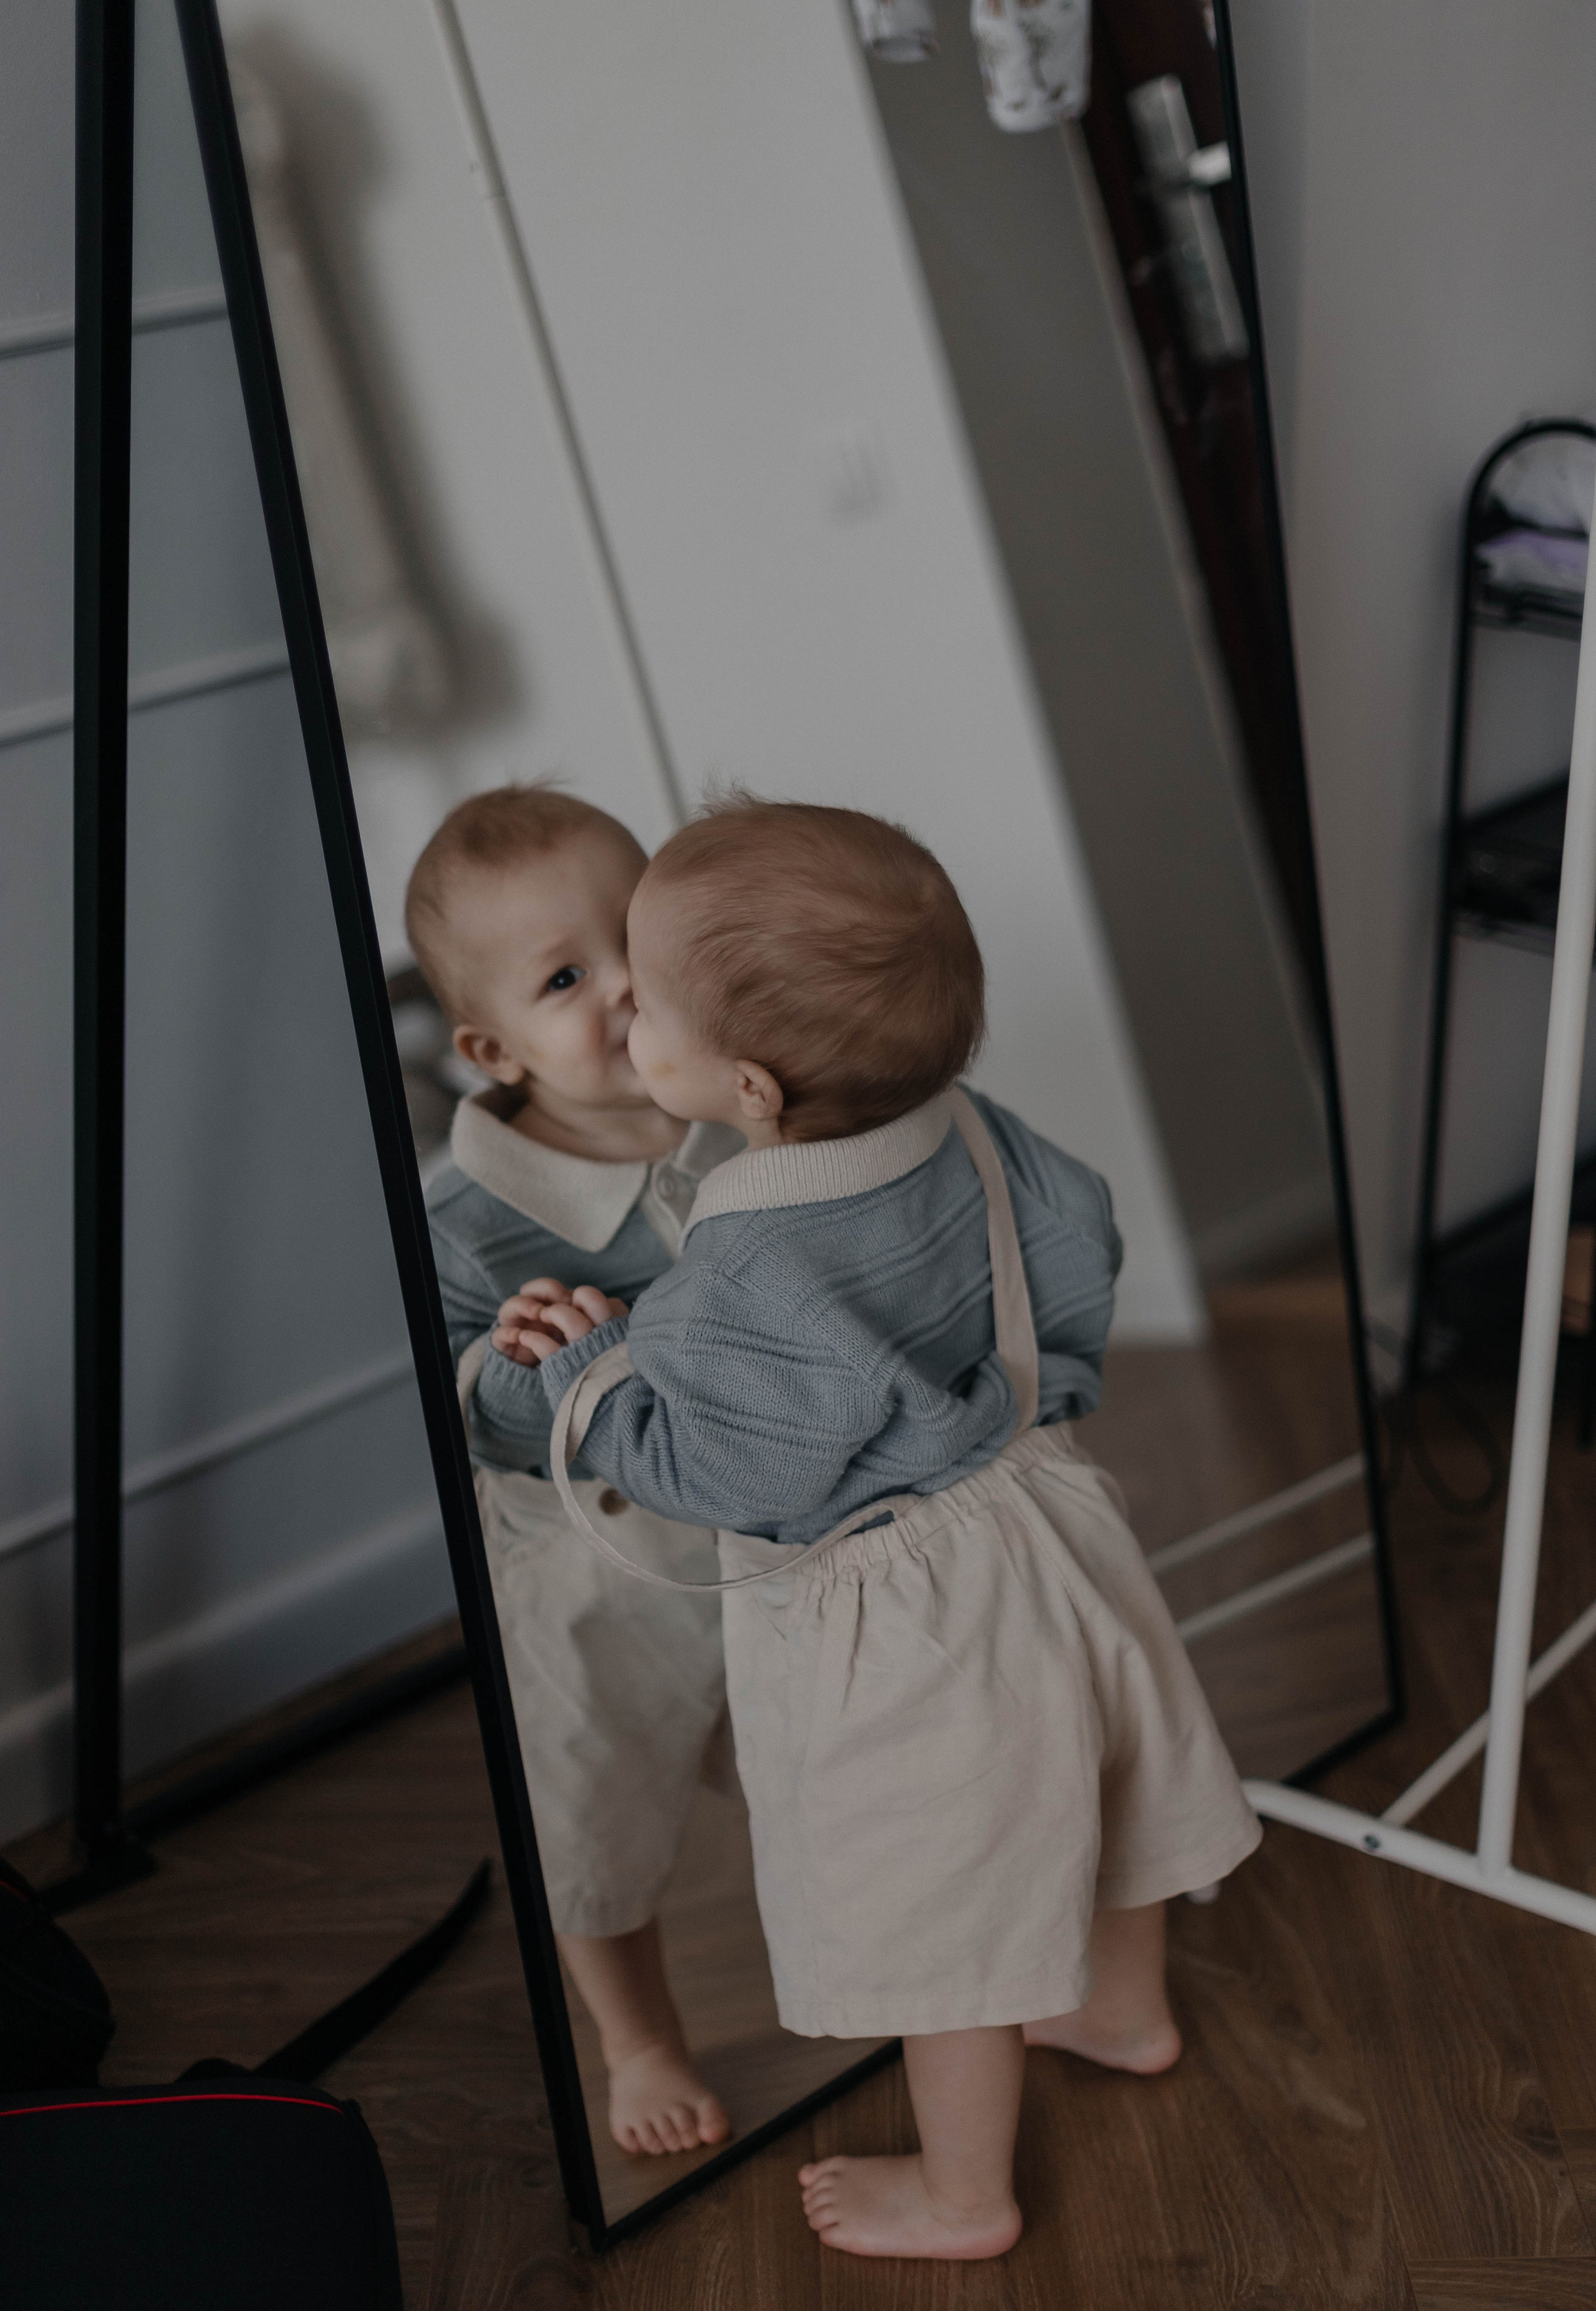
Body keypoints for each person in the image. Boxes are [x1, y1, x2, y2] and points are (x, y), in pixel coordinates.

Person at [492, 795, 1261, 2260]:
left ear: (753, 1091)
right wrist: (1047, 1390)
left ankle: (964, 2193)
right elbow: (1075, 1233)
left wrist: (596, 1370)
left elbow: (724, 1475)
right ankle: (1122, 2006)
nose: (623, 1014)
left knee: (946, 1913)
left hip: (903, 1615)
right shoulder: (967, 1125)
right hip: (1040, 1516)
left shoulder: (742, 1263)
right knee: (1093, 1786)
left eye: (643, 999)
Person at [408, 783, 742, 2159]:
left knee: (826, 1750)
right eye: (564, 976)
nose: (621, 987)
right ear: (493, 1049)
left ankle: (913, 1949)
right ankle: (638, 2032)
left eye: (632, 937)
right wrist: (519, 1362)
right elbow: (457, 1404)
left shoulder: (735, 1101)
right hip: (587, 1565)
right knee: (588, 1803)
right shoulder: (469, 1216)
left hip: (756, 1516)